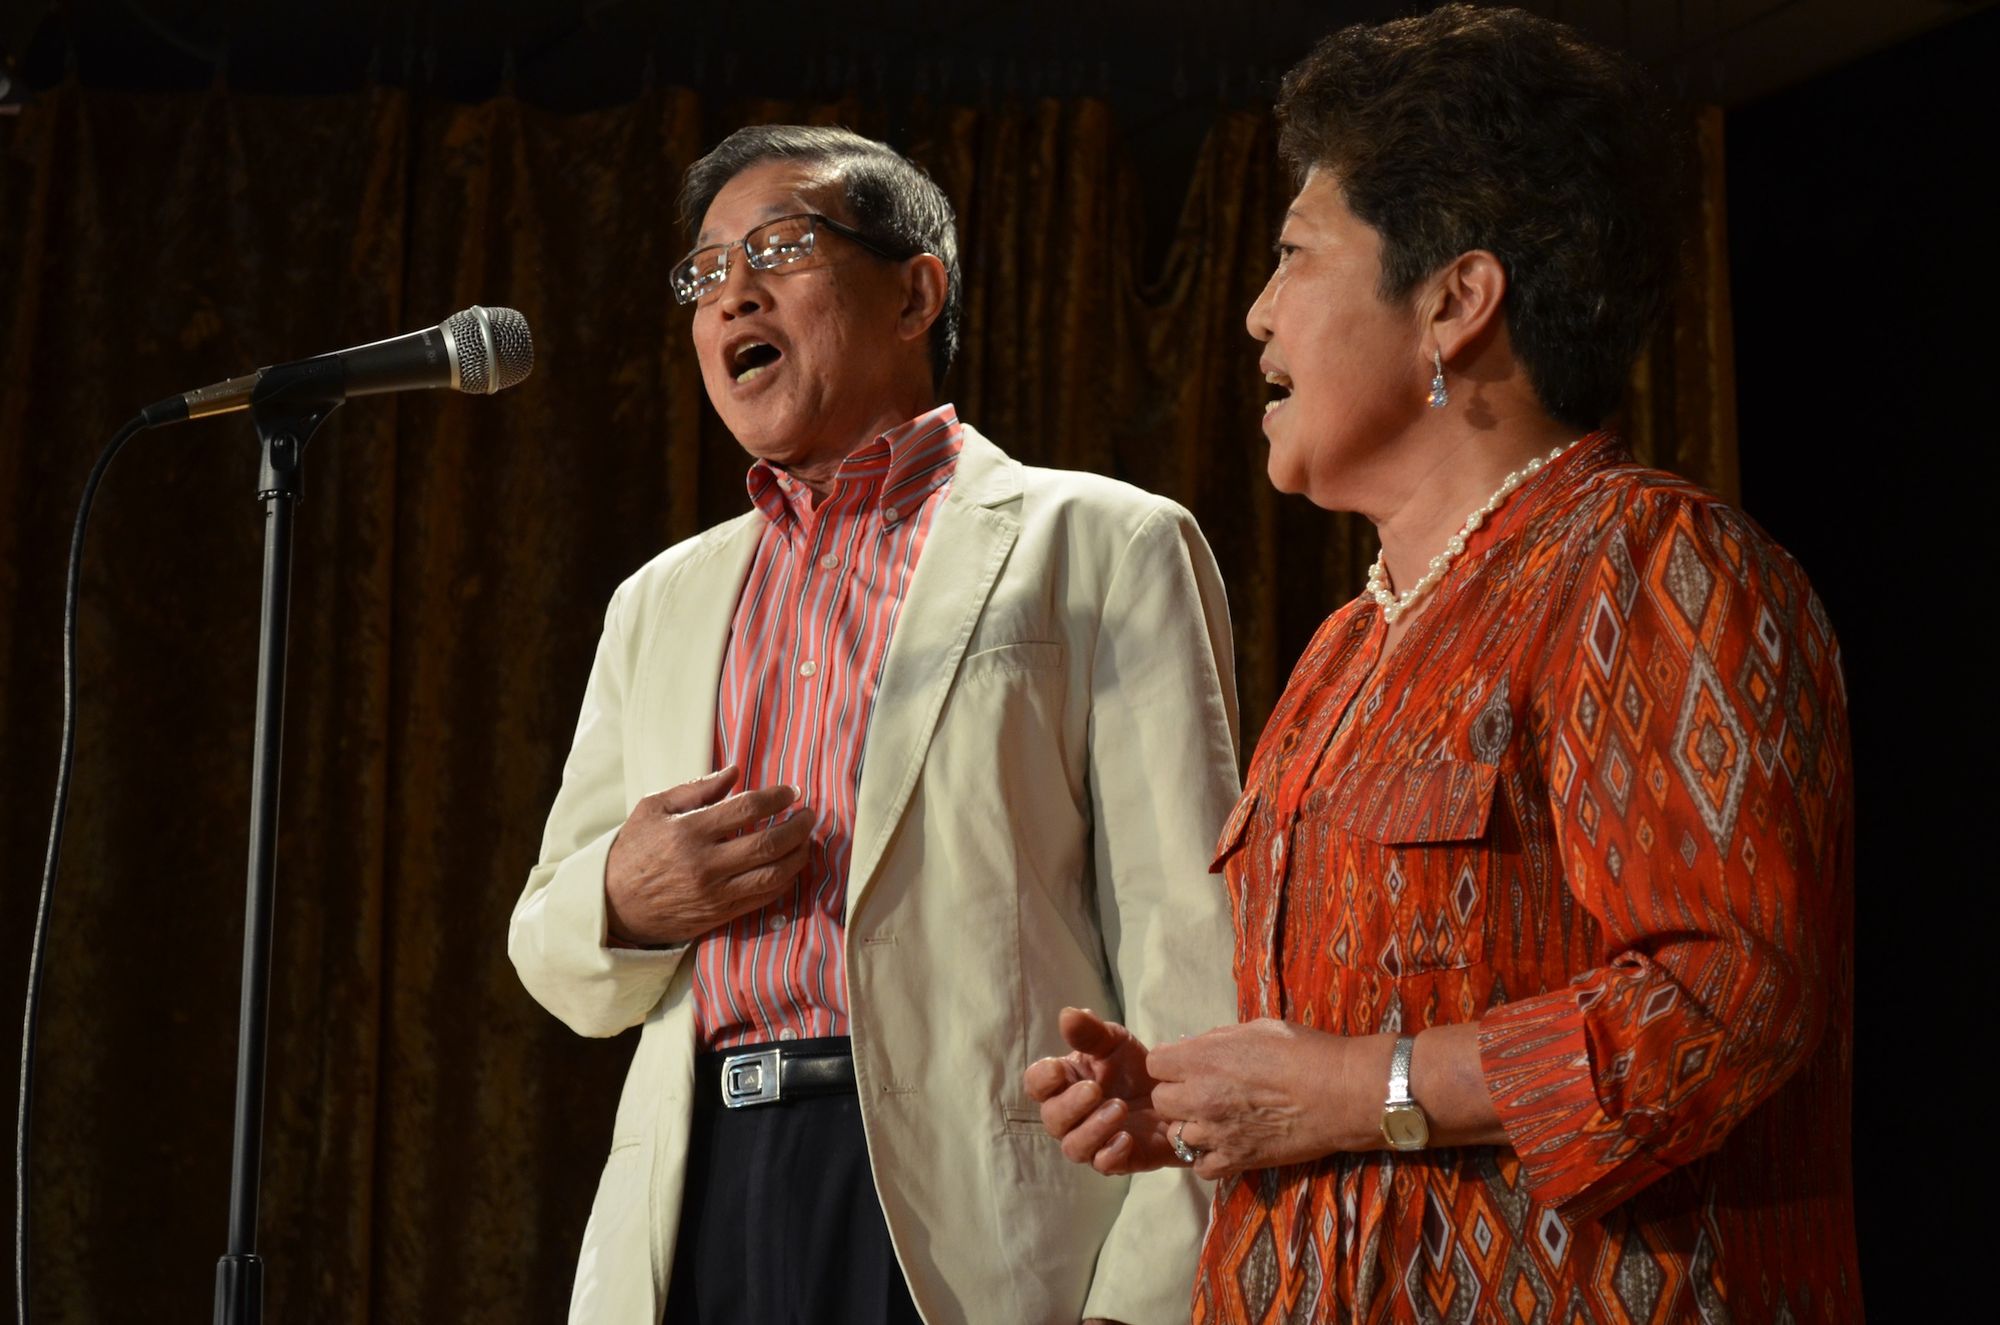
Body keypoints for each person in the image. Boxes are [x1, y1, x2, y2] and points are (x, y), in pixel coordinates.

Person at [1027, 7, 1859, 1322]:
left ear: (1457, 303)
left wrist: (1361, 1091)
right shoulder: (1348, 645)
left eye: (1296, 255)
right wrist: (1209, 1098)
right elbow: (1337, 1061)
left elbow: (1727, 999)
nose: (1255, 314)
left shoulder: (1645, 567)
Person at [509, 124, 1241, 1325]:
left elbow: (1190, 937)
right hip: (706, 1187)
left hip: (971, 1199)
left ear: (915, 291)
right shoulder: (660, 601)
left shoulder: (1100, 542)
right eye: (703, 274)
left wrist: (1146, 1293)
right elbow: (552, 947)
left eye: (778, 248)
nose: (730, 291)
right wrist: (625, 898)